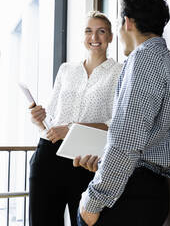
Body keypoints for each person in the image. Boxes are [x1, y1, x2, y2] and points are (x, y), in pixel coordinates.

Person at [76, 0, 170, 226]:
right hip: (152, 194)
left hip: (129, 195)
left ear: (127, 22)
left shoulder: (143, 59)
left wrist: (92, 201)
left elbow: (126, 141)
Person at [28, 11, 122, 226]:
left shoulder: (119, 72)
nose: (94, 37)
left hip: (86, 161)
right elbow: (51, 117)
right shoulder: (66, 70)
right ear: (83, 37)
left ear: (110, 37)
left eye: (101, 31)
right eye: (88, 31)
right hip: (49, 155)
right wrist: (38, 119)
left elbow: (115, 124)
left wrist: (72, 128)